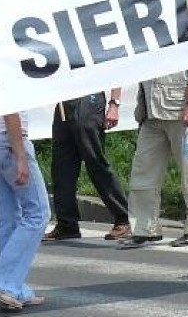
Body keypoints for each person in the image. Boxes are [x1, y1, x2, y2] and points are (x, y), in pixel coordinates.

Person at [120, 69, 188, 248]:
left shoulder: (185, 39)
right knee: (142, 172)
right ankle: (144, 229)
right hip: (151, 115)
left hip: (183, 115)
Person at [0, 112, 50, 311]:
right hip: (7, 141)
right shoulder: (13, 79)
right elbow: (11, 111)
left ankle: (11, 287)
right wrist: (21, 156)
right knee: (38, 213)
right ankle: (2, 279)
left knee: (8, 214)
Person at [43, 90, 131, 241]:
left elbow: (113, 67)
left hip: (88, 98)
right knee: (61, 167)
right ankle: (67, 224)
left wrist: (114, 104)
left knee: (95, 161)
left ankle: (124, 218)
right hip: (64, 103)